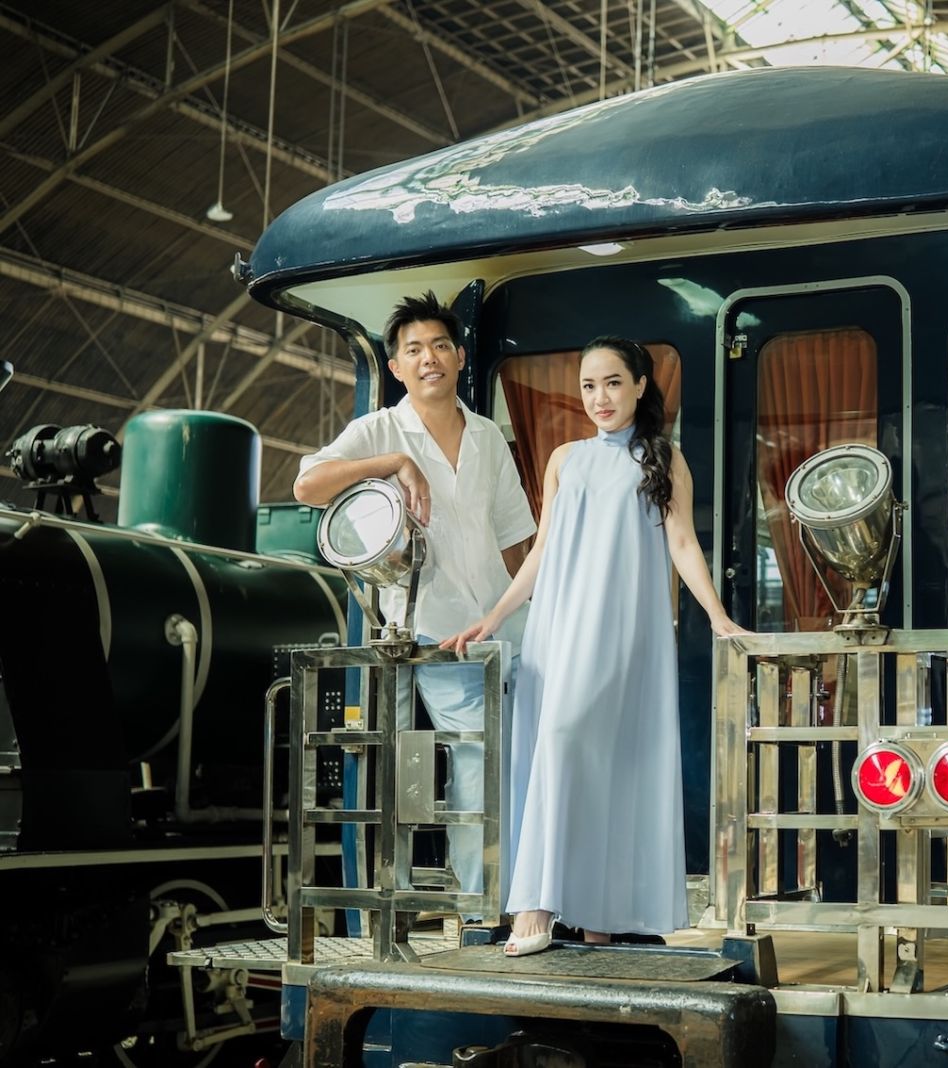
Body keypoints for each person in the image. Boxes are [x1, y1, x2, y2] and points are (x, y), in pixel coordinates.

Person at [441, 336, 743, 956]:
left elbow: (683, 544)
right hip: (558, 625)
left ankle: (541, 909)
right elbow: (542, 552)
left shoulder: (663, 460)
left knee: (589, 750)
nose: (599, 397)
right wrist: (493, 617)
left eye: (612, 383)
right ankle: (587, 918)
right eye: (587, 386)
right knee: (562, 747)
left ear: (640, 386)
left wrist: (718, 617)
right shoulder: (565, 459)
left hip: (624, 629)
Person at [294, 291, 535, 908]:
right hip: (433, 630)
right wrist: (394, 461)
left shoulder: (487, 436)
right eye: (414, 350)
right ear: (397, 366)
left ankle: (524, 898)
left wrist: (544, 614)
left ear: (459, 358)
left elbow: (516, 540)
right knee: (468, 762)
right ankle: (477, 908)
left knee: (522, 760)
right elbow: (308, 485)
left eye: (440, 346)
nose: (430, 358)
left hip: (504, 623)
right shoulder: (378, 429)